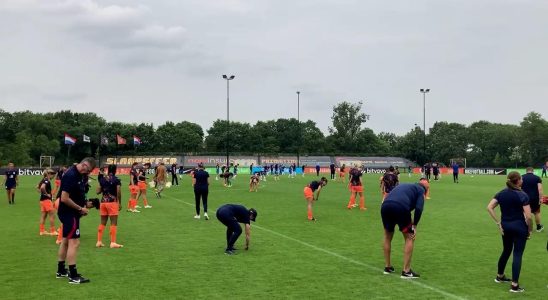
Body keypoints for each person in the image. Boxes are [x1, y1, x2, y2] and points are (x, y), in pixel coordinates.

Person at [486, 171, 532, 293]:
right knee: (517, 254)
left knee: (506, 250)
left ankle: (500, 276)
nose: (522, 180)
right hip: (519, 227)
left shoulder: (501, 193)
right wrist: (529, 230)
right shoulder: (522, 195)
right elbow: (528, 217)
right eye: (521, 179)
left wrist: (498, 223)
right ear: (517, 181)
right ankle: (514, 286)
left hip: (505, 226)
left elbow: (489, 207)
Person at [56, 157, 98, 284]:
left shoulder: (78, 174)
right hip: (69, 214)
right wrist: (80, 208)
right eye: (89, 170)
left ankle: (61, 270)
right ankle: (73, 276)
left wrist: (83, 206)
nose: (88, 173)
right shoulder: (71, 175)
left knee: (65, 241)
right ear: (84, 165)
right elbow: (64, 198)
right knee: (75, 243)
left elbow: (76, 195)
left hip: (72, 213)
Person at [381, 178, 429, 279]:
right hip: (400, 207)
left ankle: (388, 267)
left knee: (387, 236)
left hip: (385, 206)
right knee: (410, 237)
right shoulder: (421, 190)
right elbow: (419, 209)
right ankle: (406, 271)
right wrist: (414, 225)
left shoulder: (406, 186)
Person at [96, 164, 123, 248]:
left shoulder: (102, 179)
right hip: (112, 202)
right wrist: (119, 202)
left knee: (102, 223)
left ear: (108, 170)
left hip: (103, 202)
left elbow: (97, 191)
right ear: (115, 170)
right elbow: (118, 191)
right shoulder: (116, 180)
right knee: (113, 222)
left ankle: (99, 241)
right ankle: (113, 242)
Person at [521, 167, 544, 232]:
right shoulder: (537, 178)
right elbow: (540, 189)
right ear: (532, 171)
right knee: (536, 212)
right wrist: (541, 198)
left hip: (524, 198)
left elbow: (518, 188)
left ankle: (526, 227)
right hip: (535, 198)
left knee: (525, 212)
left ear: (526, 171)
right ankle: (538, 227)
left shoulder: (521, 177)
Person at [38, 169, 58, 236]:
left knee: (43, 216)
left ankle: (42, 230)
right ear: (50, 174)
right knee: (52, 215)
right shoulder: (46, 180)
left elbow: (37, 188)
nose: (53, 177)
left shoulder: (43, 179)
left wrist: (43, 194)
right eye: (53, 175)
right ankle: (53, 231)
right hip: (46, 200)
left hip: (42, 200)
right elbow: (42, 188)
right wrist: (47, 194)